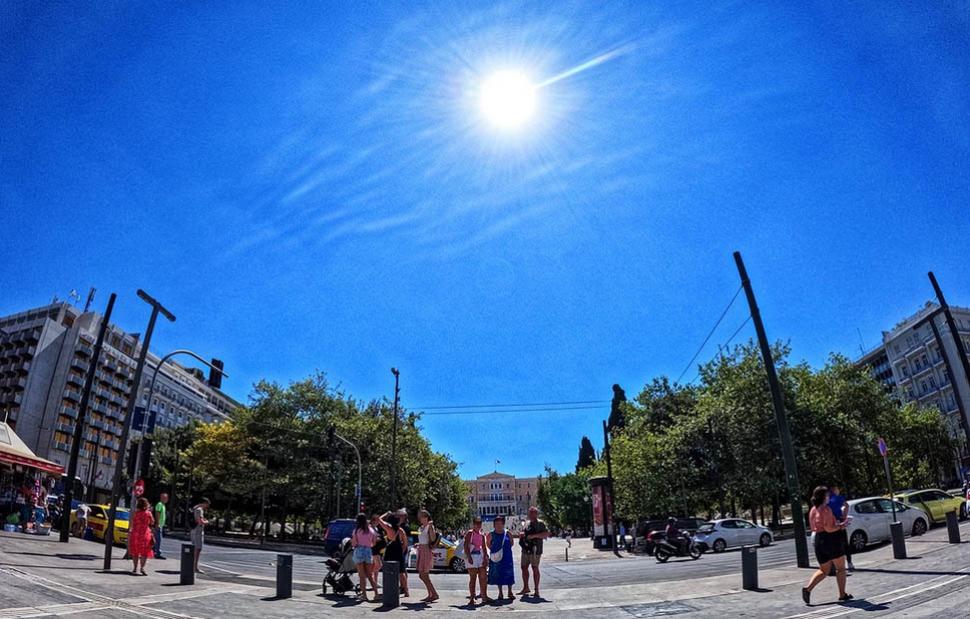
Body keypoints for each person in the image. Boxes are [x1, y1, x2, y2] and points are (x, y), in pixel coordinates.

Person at [803, 486, 851, 605]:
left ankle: (808, 589)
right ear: (824, 497)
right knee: (841, 568)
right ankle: (842, 594)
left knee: (824, 570)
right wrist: (841, 525)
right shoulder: (826, 510)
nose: (829, 497)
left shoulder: (813, 510)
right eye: (828, 495)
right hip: (831, 539)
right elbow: (829, 528)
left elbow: (814, 526)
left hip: (819, 540)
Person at [517, 506, 549, 598]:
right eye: (530, 512)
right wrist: (522, 535)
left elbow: (546, 534)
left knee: (535, 568)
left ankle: (536, 589)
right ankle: (526, 587)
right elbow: (524, 533)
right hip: (525, 549)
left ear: (536, 514)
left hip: (535, 549)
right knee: (523, 567)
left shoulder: (540, 523)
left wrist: (534, 536)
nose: (531, 514)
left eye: (533, 512)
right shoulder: (526, 523)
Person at [377, 512, 410, 598]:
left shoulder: (388, 528)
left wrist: (386, 514)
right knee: (402, 572)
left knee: (388, 570)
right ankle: (406, 591)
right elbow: (405, 543)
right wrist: (402, 551)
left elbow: (379, 519)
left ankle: (389, 589)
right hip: (398, 551)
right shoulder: (401, 530)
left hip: (390, 551)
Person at [463, 516, 492, 605]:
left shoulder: (482, 535)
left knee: (483, 577)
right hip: (472, 556)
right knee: (473, 578)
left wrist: (485, 558)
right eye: (476, 523)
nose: (478, 525)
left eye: (480, 523)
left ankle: (484, 596)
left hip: (480, 556)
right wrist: (469, 557)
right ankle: (472, 597)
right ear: (473, 524)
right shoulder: (470, 533)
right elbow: (466, 545)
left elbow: (483, 547)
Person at [351, 513, 379, 602]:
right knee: (370, 575)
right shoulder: (371, 530)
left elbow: (354, 543)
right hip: (368, 551)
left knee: (362, 576)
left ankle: (364, 595)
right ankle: (376, 594)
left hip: (359, 550)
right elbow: (374, 543)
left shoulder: (356, 530)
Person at [487, 515, 515, 600]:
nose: (498, 525)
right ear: (494, 525)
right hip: (496, 557)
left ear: (503, 524)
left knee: (508, 573)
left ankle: (510, 591)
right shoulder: (491, 534)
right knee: (498, 574)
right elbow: (488, 544)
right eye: (496, 524)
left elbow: (512, 543)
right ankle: (500, 592)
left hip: (507, 557)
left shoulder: (508, 533)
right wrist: (496, 551)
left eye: (500, 523)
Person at [416, 509, 439, 603]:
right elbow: (422, 539)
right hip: (421, 549)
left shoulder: (430, 526)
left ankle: (434, 594)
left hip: (426, 550)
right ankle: (431, 594)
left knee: (423, 575)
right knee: (423, 575)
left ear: (425, 517)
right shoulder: (421, 527)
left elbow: (433, 539)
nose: (419, 518)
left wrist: (431, 528)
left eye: (421, 516)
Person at [828, 486, 853, 571]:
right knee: (845, 543)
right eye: (837, 489)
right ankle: (849, 562)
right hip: (839, 520)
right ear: (834, 490)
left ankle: (834, 564)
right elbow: (846, 506)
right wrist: (844, 516)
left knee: (833, 544)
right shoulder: (838, 498)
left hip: (831, 522)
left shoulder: (826, 499)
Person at [129, 497, 155, 575]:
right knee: (144, 553)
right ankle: (142, 568)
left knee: (135, 552)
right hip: (144, 534)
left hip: (135, 534)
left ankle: (134, 568)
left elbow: (132, 522)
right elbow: (152, 522)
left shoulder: (135, 513)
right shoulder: (148, 513)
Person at [191, 498, 210, 574]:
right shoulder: (199, 510)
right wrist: (207, 522)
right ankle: (194, 567)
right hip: (198, 531)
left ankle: (193, 566)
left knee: (195, 548)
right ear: (204, 503)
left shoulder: (194, 508)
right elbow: (200, 522)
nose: (207, 506)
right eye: (207, 504)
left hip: (193, 530)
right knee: (198, 549)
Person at [369, 514, 386, 597]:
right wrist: (376, 539)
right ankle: (370, 576)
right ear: (373, 521)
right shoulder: (370, 528)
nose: (378, 522)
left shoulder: (376, 528)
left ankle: (374, 582)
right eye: (377, 521)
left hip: (378, 549)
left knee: (376, 567)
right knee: (379, 565)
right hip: (374, 549)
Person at [153, 493, 169, 560]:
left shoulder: (163, 505)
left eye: (166, 498)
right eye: (165, 498)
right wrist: (157, 523)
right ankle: (157, 553)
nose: (166, 499)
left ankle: (154, 552)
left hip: (161, 524)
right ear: (161, 498)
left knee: (157, 539)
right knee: (158, 539)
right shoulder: (159, 504)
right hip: (159, 525)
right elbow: (157, 513)